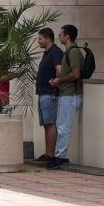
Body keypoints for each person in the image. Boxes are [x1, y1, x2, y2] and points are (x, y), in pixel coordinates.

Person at [48, 24, 84, 170]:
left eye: (61, 34)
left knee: (64, 127)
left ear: (68, 36)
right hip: (66, 93)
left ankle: (61, 157)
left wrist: (60, 80)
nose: (59, 36)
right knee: (61, 125)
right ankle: (60, 155)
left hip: (70, 94)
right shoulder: (68, 52)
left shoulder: (73, 52)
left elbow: (76, 74)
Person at [33, 27, 63, 163]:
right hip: (43, 93)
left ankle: (51, 155)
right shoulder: (47, 53)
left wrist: (57, 82)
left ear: (47, 39)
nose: (38, 42)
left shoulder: (55, 52)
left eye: (40, 39)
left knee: (50, 123)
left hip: (50, 94)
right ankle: (47, 153)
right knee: (46, 124)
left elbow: (59, 70)